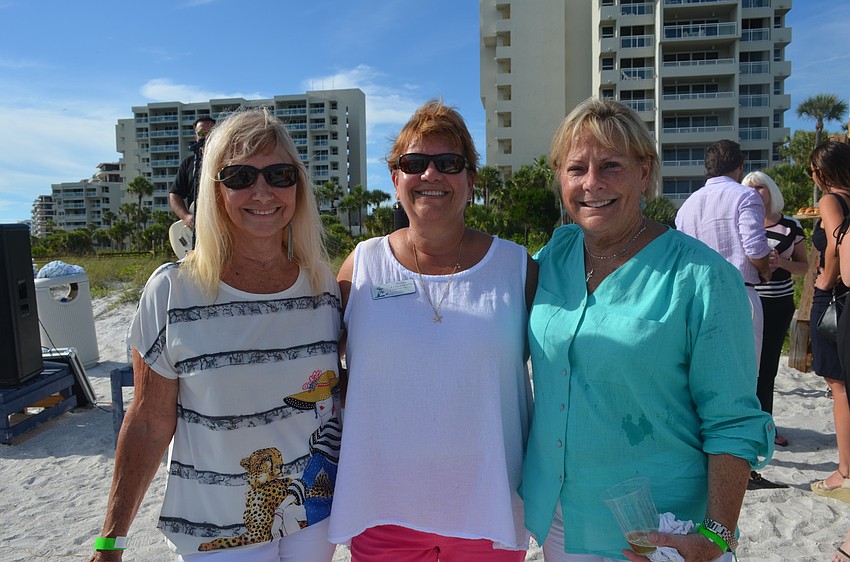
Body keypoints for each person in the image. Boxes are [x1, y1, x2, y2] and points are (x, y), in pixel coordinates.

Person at [522, 98, 773, 562]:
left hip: (656, 533)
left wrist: (717, 535)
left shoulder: (703, 276)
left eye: (611, 165)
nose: (591, 183)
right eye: (576, 168)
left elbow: (733, 420)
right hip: (556, 519)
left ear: (644, 171)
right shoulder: (553, 256)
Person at [90, 108, 342, 562]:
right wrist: (111, 541)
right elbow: (147, 422)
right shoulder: (172, 290)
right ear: (213, 189)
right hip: (214, 530)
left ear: (298, 186)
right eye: (240, 176)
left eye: (279, 174)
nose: (262, 191)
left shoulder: (323, 285)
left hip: (314, 514)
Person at [328, 99, 536, 562]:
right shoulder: (360, 266)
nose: (431, 175)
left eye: (448, 163)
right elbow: (315, 364)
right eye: (415, 163)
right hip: (382, 505)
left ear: (471, 179)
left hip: (490, 505)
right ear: (395, 177)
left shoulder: (517, 268)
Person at [675, 140, 774, 369]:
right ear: (740, 165)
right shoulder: (746, 196)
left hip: (695, 297)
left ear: (707, 167)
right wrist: (766, 269)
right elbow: (755, 248)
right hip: (738, 292)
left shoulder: (687, 206)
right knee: (742, 373)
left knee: (701, 370)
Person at [742, 171, 808, 452]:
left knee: (768, 368)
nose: (755, 192)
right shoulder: (744, 223)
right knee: (746, 367)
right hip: (748, 301)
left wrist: (781, 262)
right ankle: (747, 422)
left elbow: (803, 266)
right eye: (749, 188)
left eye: (760, 187)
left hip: (778, 302)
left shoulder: (791, 226)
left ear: (770, 190)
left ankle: (766, 425)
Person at [808, 141, 850, 503]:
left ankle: (844, 471)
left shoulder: (830, 200)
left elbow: (836, 241)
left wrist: (825, 279)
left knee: (837, 383)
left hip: (835, 296)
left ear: (821, 172)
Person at [169, 115, 216, 230]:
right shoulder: (188, 163)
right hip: (197, 228)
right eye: (201, 133)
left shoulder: (227, 162)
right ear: (196, 137)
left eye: (211, 133)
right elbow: (174, 195)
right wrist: (186, 216)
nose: (206, 136)